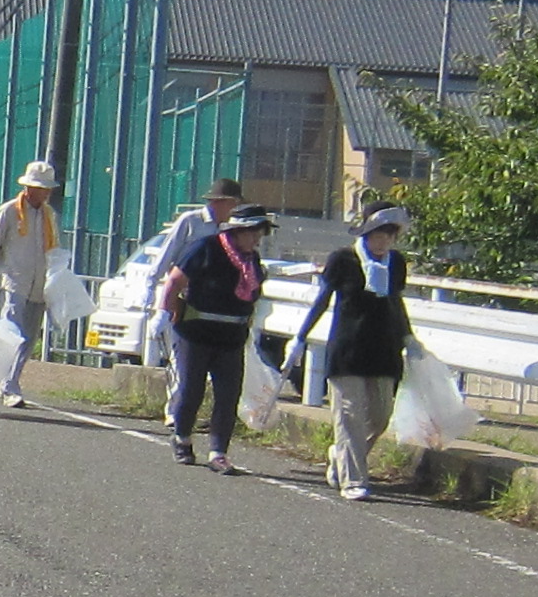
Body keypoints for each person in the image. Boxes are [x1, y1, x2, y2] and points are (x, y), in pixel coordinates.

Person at [293, 204, 416, 499]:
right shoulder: (343, 259)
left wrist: (408, 337)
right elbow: (323, 299)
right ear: (367, 232)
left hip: (385, 351)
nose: (385, 241)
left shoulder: (395, 263)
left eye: (390, 234)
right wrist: (300, 338)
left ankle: (341, 454)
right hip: (348, 350)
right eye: (380, 234)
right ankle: (353, 480)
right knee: (349, 416)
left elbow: (395, 301)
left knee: (379, 417)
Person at [157, 182, 268, 471]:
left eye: (260, 232)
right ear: (238, 230)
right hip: (195, 331)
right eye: (254, 231)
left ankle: (218, 452)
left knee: (228, 393)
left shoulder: (251, 261)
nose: (257, 238)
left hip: (231, 335)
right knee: (191, 389)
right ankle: (182, 438)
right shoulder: (205, 248)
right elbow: (174, 282)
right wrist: (165, 313)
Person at [0, 159, 64, 410]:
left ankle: (9, 381)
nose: (45, 193)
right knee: (12, 334)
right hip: (14, 281)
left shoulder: (49, 216)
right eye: (41, 188)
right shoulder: (10, 211)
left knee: (29, 338)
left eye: (47, 189)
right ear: (28, 188)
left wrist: (57, 278)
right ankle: (10, 385)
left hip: (40, 286)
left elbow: (54, 248)